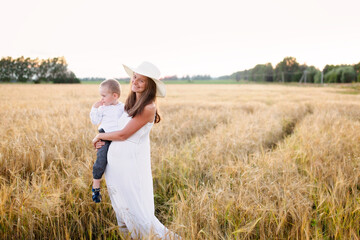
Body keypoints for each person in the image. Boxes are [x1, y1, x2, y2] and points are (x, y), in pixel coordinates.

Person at [92, 62, 180, 239]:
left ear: (150, 85)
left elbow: (124, 135)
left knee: (136, 210)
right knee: (122, 209)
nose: (136, 82)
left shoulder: (148, 107)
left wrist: (100, 137)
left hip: (130, 166)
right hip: (116, 167)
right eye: (134, 78)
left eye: (142, 80)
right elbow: (114, 126)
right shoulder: (131, 102)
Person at [89, 79, 124, 203]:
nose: (101, 99)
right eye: (100, 96)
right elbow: (94, 121)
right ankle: (96, 186)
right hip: (104, 135)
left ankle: (119, 189)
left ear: (115, 96)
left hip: (118, 136)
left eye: (104, 96)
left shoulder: (123, 107)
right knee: (101, 160)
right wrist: (95, 108)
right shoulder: (102, 108)